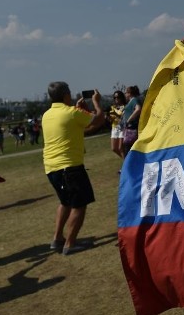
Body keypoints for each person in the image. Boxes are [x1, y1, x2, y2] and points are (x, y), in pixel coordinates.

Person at [42, 82, 105, 255]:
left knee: (65, 202)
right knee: (79, 204)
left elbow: (79, 130)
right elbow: (99, 120)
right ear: (65, 95)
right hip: (70, 167)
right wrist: (97, 103)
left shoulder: (47, 115)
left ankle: (57, 238)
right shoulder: (71, 113)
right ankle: (70, 243)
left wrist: (82, 111)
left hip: (51, 168)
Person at [121, 85, 142, 156]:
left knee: (129, 148)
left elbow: (138, 109)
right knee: (127, 147)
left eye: (126, 93)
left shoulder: (134, 100)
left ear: (129, 93)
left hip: (132, 127)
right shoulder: (131, 101)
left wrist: (129, 120)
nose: (125, 94)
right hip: (129, 127)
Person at [108, 91, 127, 160]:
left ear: (122, 97)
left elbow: (124, 118)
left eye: (118, 97)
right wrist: (108, 118)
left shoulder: (125, 107)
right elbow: (111, 120)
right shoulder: (113, 107)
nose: (116, 99)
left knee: (120, 148)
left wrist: (116, 115)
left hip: (122, 128)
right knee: (114, 148)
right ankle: (126, 161)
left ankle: (125, 165)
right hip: (114, 128)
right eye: (114, 97)